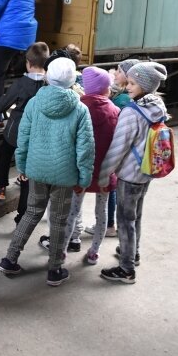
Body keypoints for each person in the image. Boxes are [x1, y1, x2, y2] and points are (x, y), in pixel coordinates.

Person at [0, 57, 94, 286]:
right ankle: (55, 270)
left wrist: (22, 166)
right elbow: (86, 149)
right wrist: (84, 177)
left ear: (48, 77)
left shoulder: (33, 104)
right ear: (73, 80)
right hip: (64, 175)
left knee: (31, 213)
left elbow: (24, 139)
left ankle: (9, 259)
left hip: (37, 170)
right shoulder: (80, 109)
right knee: (60, 221)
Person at [98, 62, 169, 284]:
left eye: (132, 83)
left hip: (129, 175)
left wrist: (103, 174)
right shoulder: (157, 106)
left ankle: (126, 269)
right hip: (147, 170)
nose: (128, 87)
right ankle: (133, 252)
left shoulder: (132, 111)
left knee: (125, 219)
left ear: (145, 85)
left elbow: (118, 147)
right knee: (135, 215)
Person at [61, 67, 120, 265]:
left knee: (73, 212)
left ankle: (62, 250)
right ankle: (94, 252)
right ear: (105, 90)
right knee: (101, 212)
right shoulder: (115, 111)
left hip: (80, 172)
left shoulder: (78, 108)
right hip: (105, 172)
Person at [0, 42, 49, 225]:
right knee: (26, 173)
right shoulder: (49, 83)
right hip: (37, 133)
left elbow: (1, 105)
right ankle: (22, 215)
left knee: (5, 153)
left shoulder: (22, 84)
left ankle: (0, 187)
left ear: (28, 63)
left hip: (16, 130)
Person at [85, 58, 139, 238]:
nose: (115, 73)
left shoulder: (121, 100)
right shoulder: (121, 96)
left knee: (109, 188)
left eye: (119, 70)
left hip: (114, 155)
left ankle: (109, 225)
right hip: (114, 155)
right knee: (109, 188)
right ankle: (108, 225)